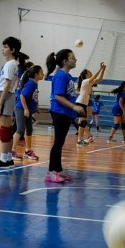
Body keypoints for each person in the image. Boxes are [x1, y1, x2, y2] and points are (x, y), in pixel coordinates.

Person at [45, 49, 84, 183]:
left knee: (60, 142)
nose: (75, 60)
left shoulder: (67, 76)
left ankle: (58, 170)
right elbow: (58, 96)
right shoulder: (61, 76)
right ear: (64, 61)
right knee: (58, 142)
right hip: (59, 112)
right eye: (72, 58)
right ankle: (51, 172)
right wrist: (74, 107)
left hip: (65, 112)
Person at [0, 37, 26, 167]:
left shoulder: (10, 64)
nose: (2, 49)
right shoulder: (13, 64)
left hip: (5, 96)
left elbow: (7, 84)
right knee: (8, 128)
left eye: (5, 47)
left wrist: (0, 103)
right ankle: (8, 158)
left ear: (12, 50)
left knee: (4, 129)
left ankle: (4, 159)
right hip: (8, 95)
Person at [13, 64, 44, 161]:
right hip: (21, 108)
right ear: (36, 74)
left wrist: (36, 107)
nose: (43, 74)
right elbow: (22, 96)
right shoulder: (30, 83)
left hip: (28, 109)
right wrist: (26, 109)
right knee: (20, 130)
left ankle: (28, 151)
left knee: (29, 130)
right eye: (41, 73)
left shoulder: (35, 83)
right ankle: (11, 151)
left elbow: (32, 97)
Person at [75, 62, 106, 146]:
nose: (91, 72)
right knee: (82, 122)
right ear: (86, 74)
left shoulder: (90, 82)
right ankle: (80, 140)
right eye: (89, 72)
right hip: (80, 102)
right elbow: (94, 77)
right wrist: (100, 68)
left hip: (83, 103)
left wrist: (103, 70)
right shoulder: (85, 81)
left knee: (83, 122)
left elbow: (100, 79)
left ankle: (81, 139)